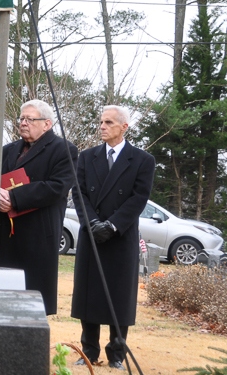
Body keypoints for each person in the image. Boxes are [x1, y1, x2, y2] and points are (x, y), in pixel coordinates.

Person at [71, 105, 156, 371]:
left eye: (108, 122)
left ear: (124, 127)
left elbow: (139, 198)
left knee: (119, 296)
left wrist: (113, 225)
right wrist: (93, 223)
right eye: (101, 122)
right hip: (92, 236)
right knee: (89, 294)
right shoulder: (87, 157)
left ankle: (117, 353)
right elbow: (79, 193)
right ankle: (89, 350)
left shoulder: (142, 160)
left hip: (121, 237)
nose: (102, 126)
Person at [0, 99, 78, 316]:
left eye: (30, 119)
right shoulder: (8, 150)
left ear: (47, 124)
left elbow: (57, 187)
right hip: (3, 237)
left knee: (30, 307)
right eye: (22, 118)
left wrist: (14, 198)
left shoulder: (64, 150)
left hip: (36, 237)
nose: (23, 123)